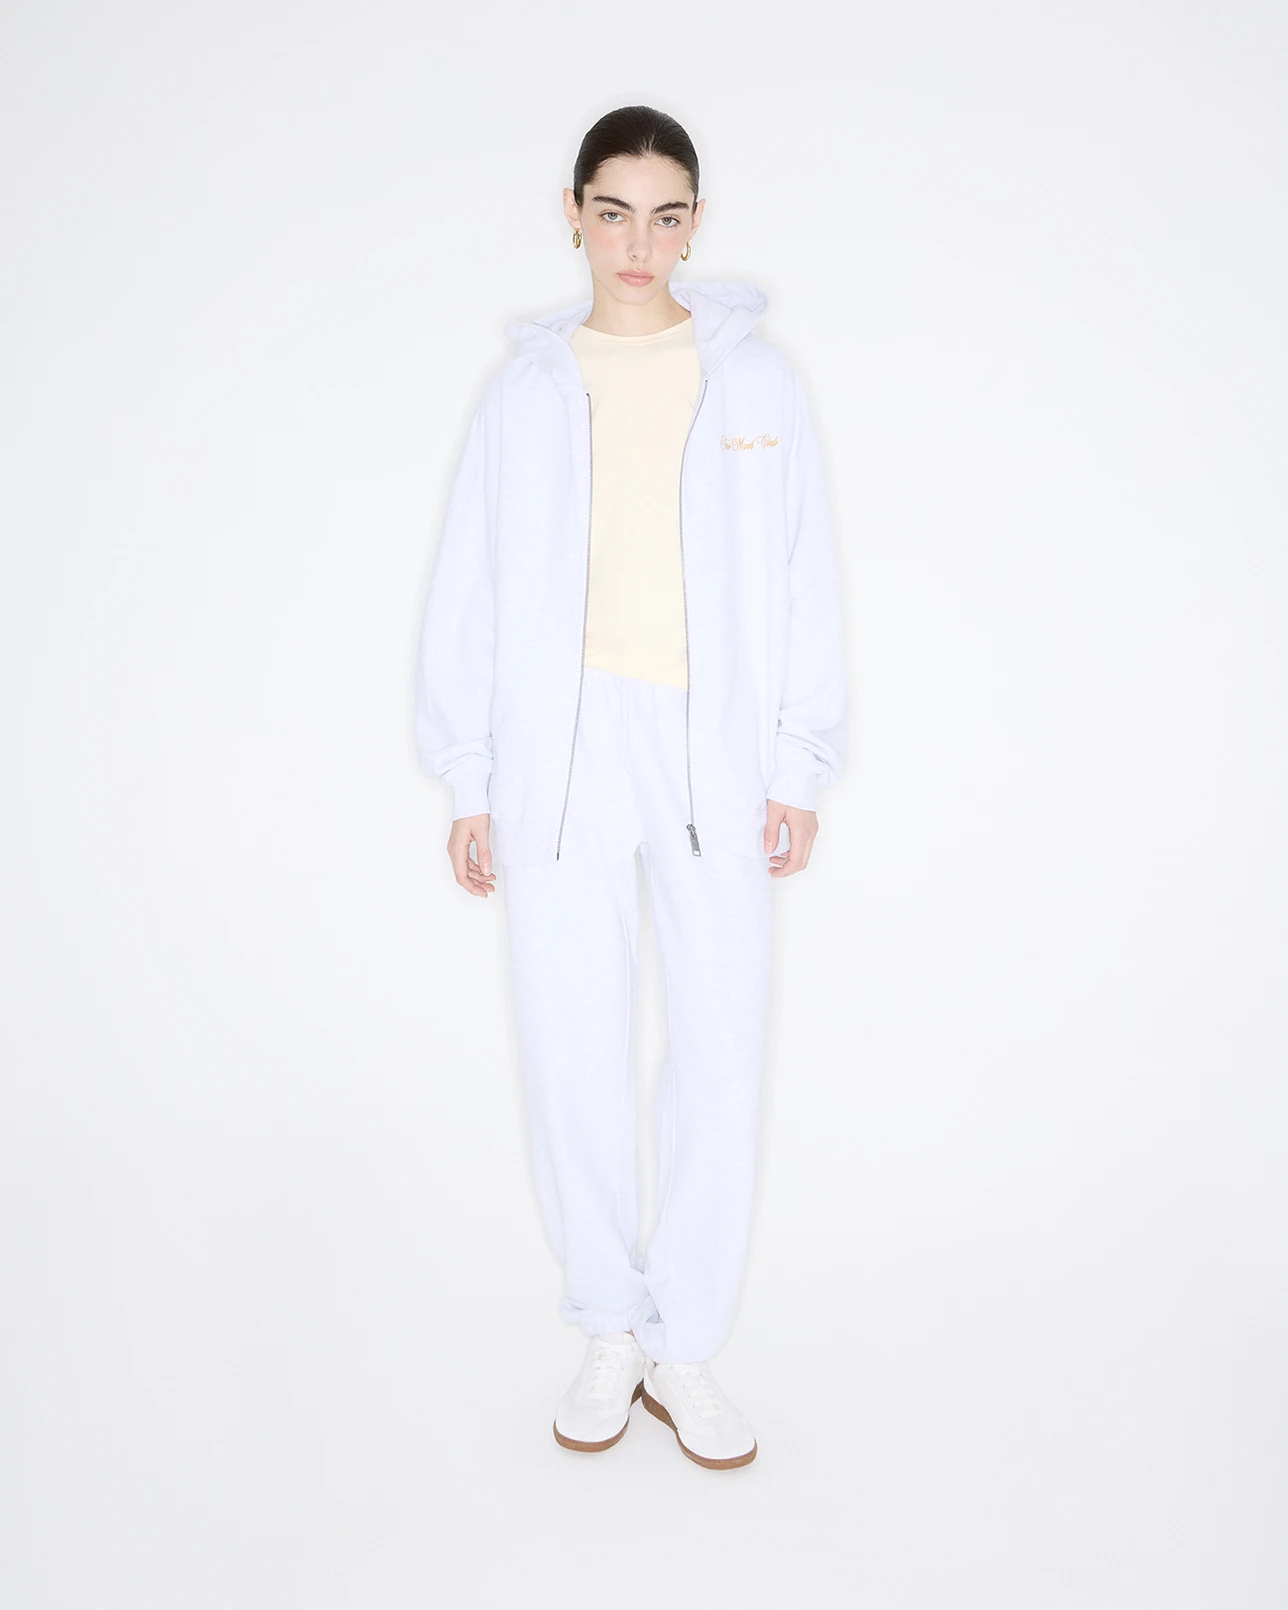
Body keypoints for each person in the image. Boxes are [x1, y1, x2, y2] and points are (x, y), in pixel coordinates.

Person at [415, 105, 847, 1470]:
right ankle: (608, 1321)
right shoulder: (525, 392)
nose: (639, 245)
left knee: (720, 1046)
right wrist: (471, 775)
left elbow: (805, 574)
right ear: (574, 213)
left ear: (697, 222)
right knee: (572, 1045)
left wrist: (797, 758)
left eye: (666, 217)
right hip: (558, 755)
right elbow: (471, 589)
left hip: (714, 751)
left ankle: (687, 1343)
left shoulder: (757, 384)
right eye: (614, 214)